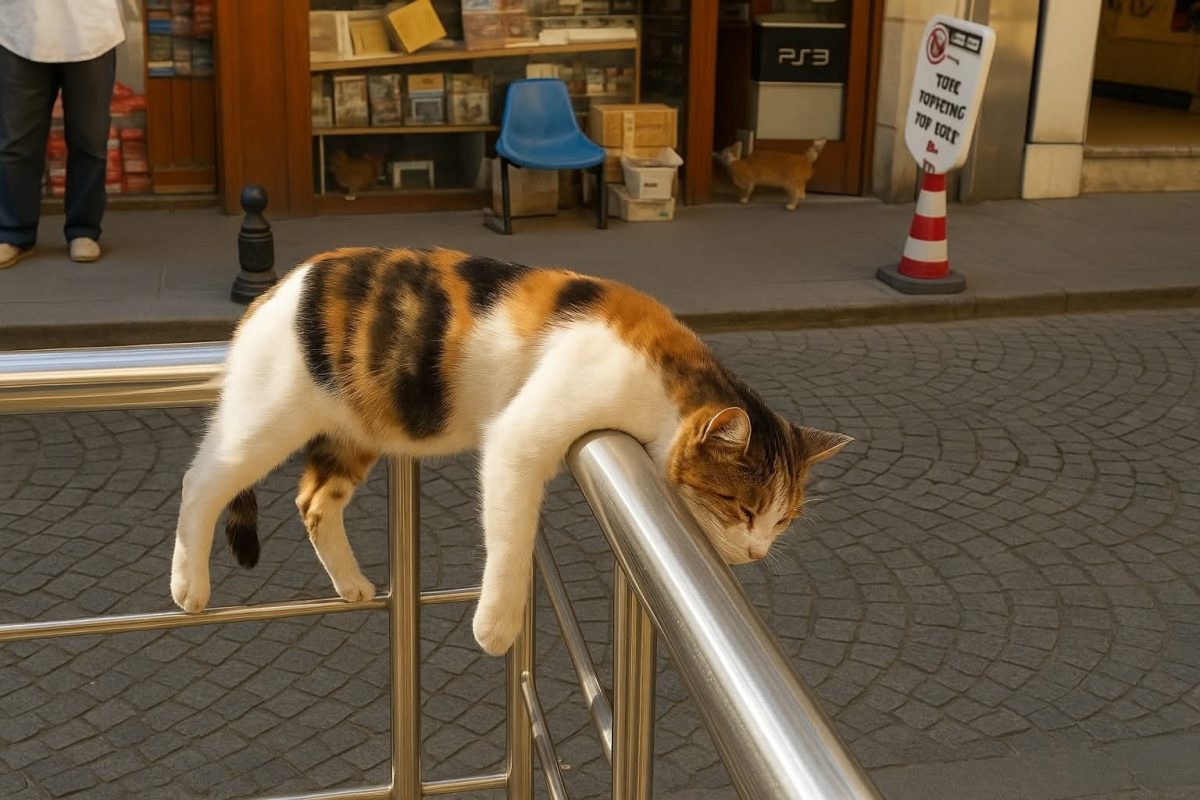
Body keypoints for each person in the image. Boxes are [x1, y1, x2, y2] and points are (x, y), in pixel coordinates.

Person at [0, 0, 126, 269]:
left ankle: (84, 229)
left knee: (89, 140)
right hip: (18, 26)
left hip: (90, 28)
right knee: (16, 143)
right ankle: (14, 233)